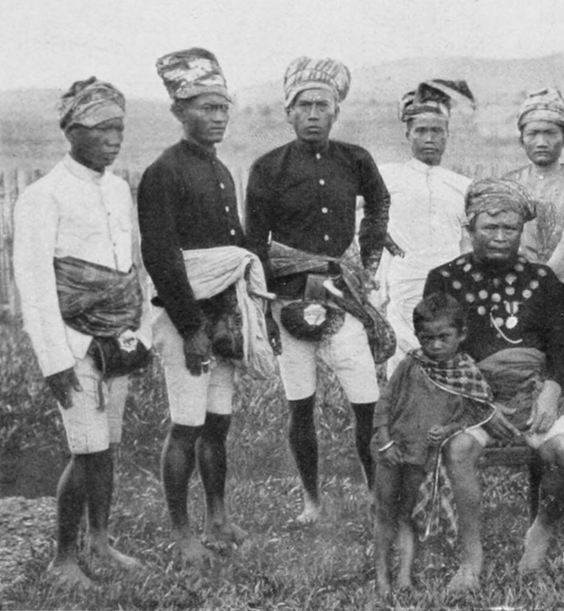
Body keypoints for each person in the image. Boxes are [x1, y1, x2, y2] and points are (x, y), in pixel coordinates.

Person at [423, 178, 564, 592]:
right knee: (459, 450)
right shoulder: (444, 279)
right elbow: (439, 353)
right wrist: (481, 403)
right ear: (470, 228)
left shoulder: (543, 279)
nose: (500, 237)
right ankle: (471, 558)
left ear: (521, 230)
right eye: (490, 227)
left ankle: (542, 529)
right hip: (472, 397)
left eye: (510, 228)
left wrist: (552, 391)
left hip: (534, 392)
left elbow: (561, 347)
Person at [245, 56, 390, 523]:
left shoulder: (355, 159)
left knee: (366, 402)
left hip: (343, 296)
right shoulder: (267, 168)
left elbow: (379, 202)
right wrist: (268, 308)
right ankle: (310, 502)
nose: (312, 114)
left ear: (335, 112)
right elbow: (254, 244)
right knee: (300, 405)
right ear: (288, 113)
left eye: (321, 105)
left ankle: (377, 495)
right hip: (289, 302)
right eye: (303, 105)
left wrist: (367, 257)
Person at [13, 78, 145, 587]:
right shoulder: (42, 196)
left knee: (106, 444)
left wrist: (134, 331)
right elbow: (35, 288)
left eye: (119, 128)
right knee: (86, 448)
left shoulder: (116, 188)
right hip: (72, 345)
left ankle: (100, 542)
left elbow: (127, 267)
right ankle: (63, 560)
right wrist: (55, 362)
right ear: (70, 131)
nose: (113, 139)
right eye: (100, 129)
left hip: (116, 341)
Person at [139, 48, 259, 563]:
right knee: (186, 427)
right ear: (178, 111)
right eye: (206, 108)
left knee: (217, 423)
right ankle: (182, 533)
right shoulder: (163, 172)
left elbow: (232, 246)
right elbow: (161, 256)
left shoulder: (221, 171)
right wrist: (191, 328)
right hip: (185, 318)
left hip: (222, 317)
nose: (218, 117)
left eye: (223, 107)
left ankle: (218, 518)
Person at [371, 293, 499, 595]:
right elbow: (385, 401)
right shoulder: (411, 364)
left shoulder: (466, 373)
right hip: (392, 448)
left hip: (422, 455)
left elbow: (475, 412)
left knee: (406, 514)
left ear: (461, 335)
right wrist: (385, 440)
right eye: (428, 338)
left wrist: (448, 430)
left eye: (444, 337)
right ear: (418, 336)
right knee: (385, 511)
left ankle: (404, 577)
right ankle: (382, 577)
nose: (436, 345)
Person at [374, 80, 475, 376]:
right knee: (404, 351)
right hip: (405, 277)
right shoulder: (388, 176)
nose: (429, 138)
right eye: (421, 130)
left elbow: (469, 240)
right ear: (408, 134)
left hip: (450, 280)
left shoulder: (462, 185)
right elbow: (350, 211)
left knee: (447, 347)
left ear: (447, 134)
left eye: (436, 131)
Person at [503, 85, 564, 284]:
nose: (541, 142)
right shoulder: (509, 183)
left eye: (551, 133)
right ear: (521, 140)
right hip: (516, 281)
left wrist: (543, 280)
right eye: (532, 134)